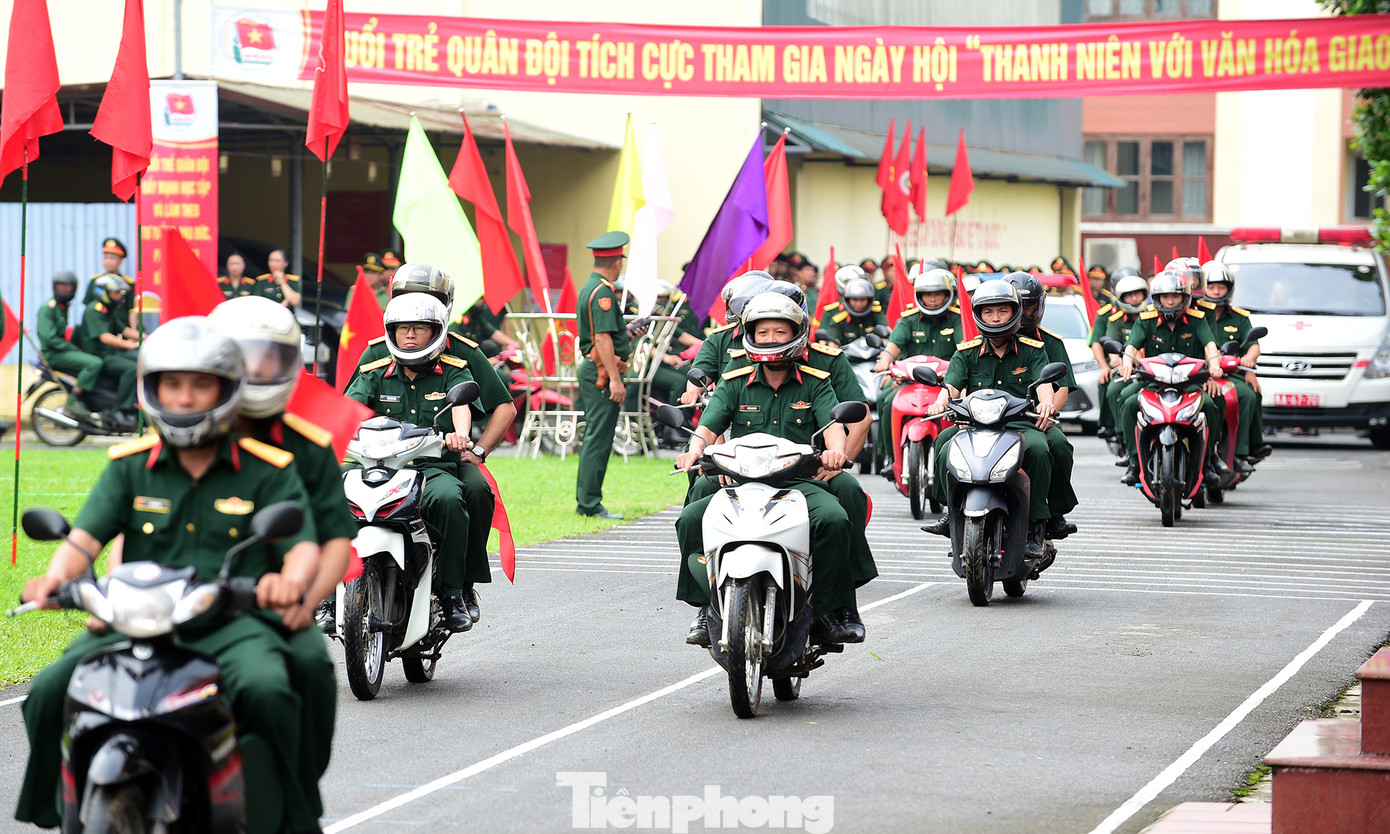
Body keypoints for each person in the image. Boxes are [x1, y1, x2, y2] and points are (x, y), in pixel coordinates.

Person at [15, 317, 325, 833]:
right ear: (151, 388)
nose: (184, 398)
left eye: (200, 383)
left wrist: (286, 581)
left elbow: (301, 549)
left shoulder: (268, 467)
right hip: (137, 621)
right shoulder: (128, 466)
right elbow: (82, 541)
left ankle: (290, 817)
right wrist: (55, 580)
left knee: (269, 691)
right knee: (49, 690)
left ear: (227, 390)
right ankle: (59, 811)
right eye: (172, 383)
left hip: (231, 621)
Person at [207, 296, 352, 823]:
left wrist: (304, 600)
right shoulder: (186, 436)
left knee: (312, 663)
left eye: (266, 358)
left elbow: (334, 540)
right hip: (178, 603)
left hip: (270, 603)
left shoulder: (305, 448)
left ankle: (298, 782)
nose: (253, 371)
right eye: (241, 357)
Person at [674, 292, 861, 647]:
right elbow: (707, 429)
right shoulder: (733, 380)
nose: (771, 339)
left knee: (835, 519)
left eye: (779, 331)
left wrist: (836, 452)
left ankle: (829, 608)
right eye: (763, 332)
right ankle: (705, 606)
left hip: (797, 480)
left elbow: (835, 426)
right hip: (741, 479)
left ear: (796, 334)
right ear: (750, 335)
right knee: (689, 519)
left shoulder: (815, 380)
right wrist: (693, 452)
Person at [346, 294, 477, 632]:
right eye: (403, 328)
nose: (409, 335)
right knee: (327, 494)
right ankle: (328, 597)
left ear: (435, 332)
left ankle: (451, 595)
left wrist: (459, 435)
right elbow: (349, 410)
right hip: (377, 468)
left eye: (419, 328)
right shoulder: (375, 372)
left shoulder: (452, 371)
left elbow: (461, 406)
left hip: (429, 468)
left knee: (450, 501)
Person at [921, 282, 1059, 560]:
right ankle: (951, 511)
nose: (995, 318)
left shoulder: (1033, 350)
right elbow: (950, 388)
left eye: (1002, 311)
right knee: (944, 444)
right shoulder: (966, 351)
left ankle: (1036, 526)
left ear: (1015, 313)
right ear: (978, 315)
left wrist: (1046, 403)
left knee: (1041, 449)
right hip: (976, 424)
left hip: (1020, 423)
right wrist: (941, 401)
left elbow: (1044, 384)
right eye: (988, 312)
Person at [1116, 268, 1227, 486]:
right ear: (1157, 298)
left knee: (1213, 404)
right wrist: (1127, 364)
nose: (1170, 301)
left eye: (1175, 296)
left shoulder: (1198, 319)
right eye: (1165, 297)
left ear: (1185, 297)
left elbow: (1210, 346)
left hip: (1189, 384)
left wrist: (1214, 366)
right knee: (1127, 402)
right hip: (1152, 383)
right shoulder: (1145, 319)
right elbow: (1131, 346)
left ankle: (1209, 460)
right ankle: (1134, 461)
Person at [1005, 271, 1079, 539]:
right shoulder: (993, 338)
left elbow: (1062, 387)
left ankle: (1054, 511)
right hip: (995, 417)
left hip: (1037, 416)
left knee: (1058, 446)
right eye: (1020, 307)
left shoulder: (1049, 342)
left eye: (1031, 306)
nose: (1026, 313)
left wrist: (1048, 412)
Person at [872, 266, 962, 468]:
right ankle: (890, 456)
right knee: (885, 399)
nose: (932, 299)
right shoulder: (909, 318)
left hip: (946, 381)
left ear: (948, 295)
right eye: (927, 295)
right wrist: (885, 360)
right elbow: (893, 346)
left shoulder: (957, 318)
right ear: (919, 296)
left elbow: (963, 349)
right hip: (910, 379)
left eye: (937, 294)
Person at [575, 232, 632, 519]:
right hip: (600, 373)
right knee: (598, 438)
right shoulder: (604, 292)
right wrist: (615, 379)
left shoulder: (590, 287)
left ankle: (587, 500)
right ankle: (589, 503)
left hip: (596, 369)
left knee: (596, 436)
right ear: (616, 263)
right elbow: (602, 339)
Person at [1199, 260, 1271, 467]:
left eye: (1220, 287)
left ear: (1229, 289)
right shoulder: (1197, 316)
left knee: (1250, 394)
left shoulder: (1239, 317)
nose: (1215, 291)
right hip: (1202, 373)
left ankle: (1244, 451)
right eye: (1210, 286)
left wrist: (1249, 362)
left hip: (1233, 374)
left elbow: (1254, 345)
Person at [37, 271, 105, 419]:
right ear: (54, 287)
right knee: (94, 363)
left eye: (68, 288)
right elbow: (49, 338)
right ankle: (73, 400)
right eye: (61, 287)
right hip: (53, 354)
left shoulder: (63, 306)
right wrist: (74, 349)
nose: (64, 291)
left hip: (60, 350)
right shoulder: (48, 308)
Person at [76, 275, 139, 427]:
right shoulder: (93, 310)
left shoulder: (108, 310)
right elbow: (104, 337)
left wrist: (148, 337)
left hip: (111, 354)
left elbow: (124, 330)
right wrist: (128, 345)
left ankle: (134, 405)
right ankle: (119, 409)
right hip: (99, 356)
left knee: (141, 361)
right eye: (116, 292)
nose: (119, 295)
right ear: (103, 292)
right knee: (132, 369)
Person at [1093, 270, 1149, 442]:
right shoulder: (1113, 318)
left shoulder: (1153, 316)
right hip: (1125, 368)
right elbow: (1104, 346)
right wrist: (1108, 365)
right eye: (1128, 295)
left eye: (1136, 294)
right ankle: (1118, 431)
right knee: (1111, 387)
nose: (1133, 299)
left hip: (1153, 369)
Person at [82, 237, 137, 335]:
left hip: (122, 332)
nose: (108, 262)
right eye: (105, 257)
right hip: (100, 330)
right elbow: (88, 309)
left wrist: (132, 334)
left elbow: (132, 310)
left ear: (121, 260)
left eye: (112, 258)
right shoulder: (95, 281)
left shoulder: (128, 283)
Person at [822, 277, 886, 344]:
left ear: (869, 299)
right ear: (848, 300)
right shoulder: (838, 319)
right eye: (855, 299)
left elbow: (887, 332)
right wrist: (833, 345)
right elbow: (832, 343)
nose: (859, 304)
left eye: (863, 299)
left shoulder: (875, 312)